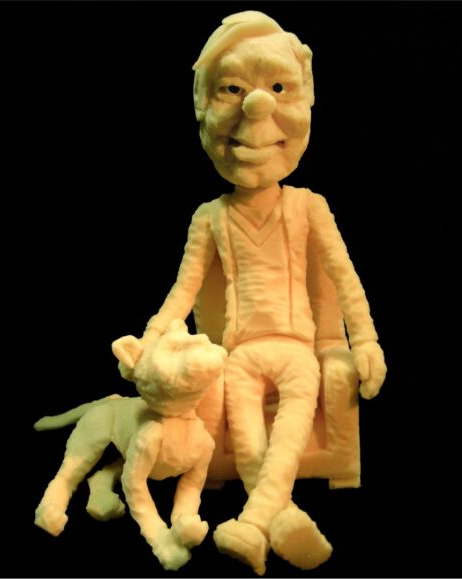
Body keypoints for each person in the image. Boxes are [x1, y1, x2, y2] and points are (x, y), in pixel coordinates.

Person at [136, 11, 387, 574]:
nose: (255, 106)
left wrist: (366, 341)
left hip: (299, 350)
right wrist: (153, 334)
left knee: (293, 422)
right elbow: (183, 290)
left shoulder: (308, 206)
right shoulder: (210, 217)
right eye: (232, 89)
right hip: (242, 355)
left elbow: (344, 277)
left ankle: (254, 523)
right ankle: (275, 519)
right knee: (249, 437)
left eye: (276, 87)